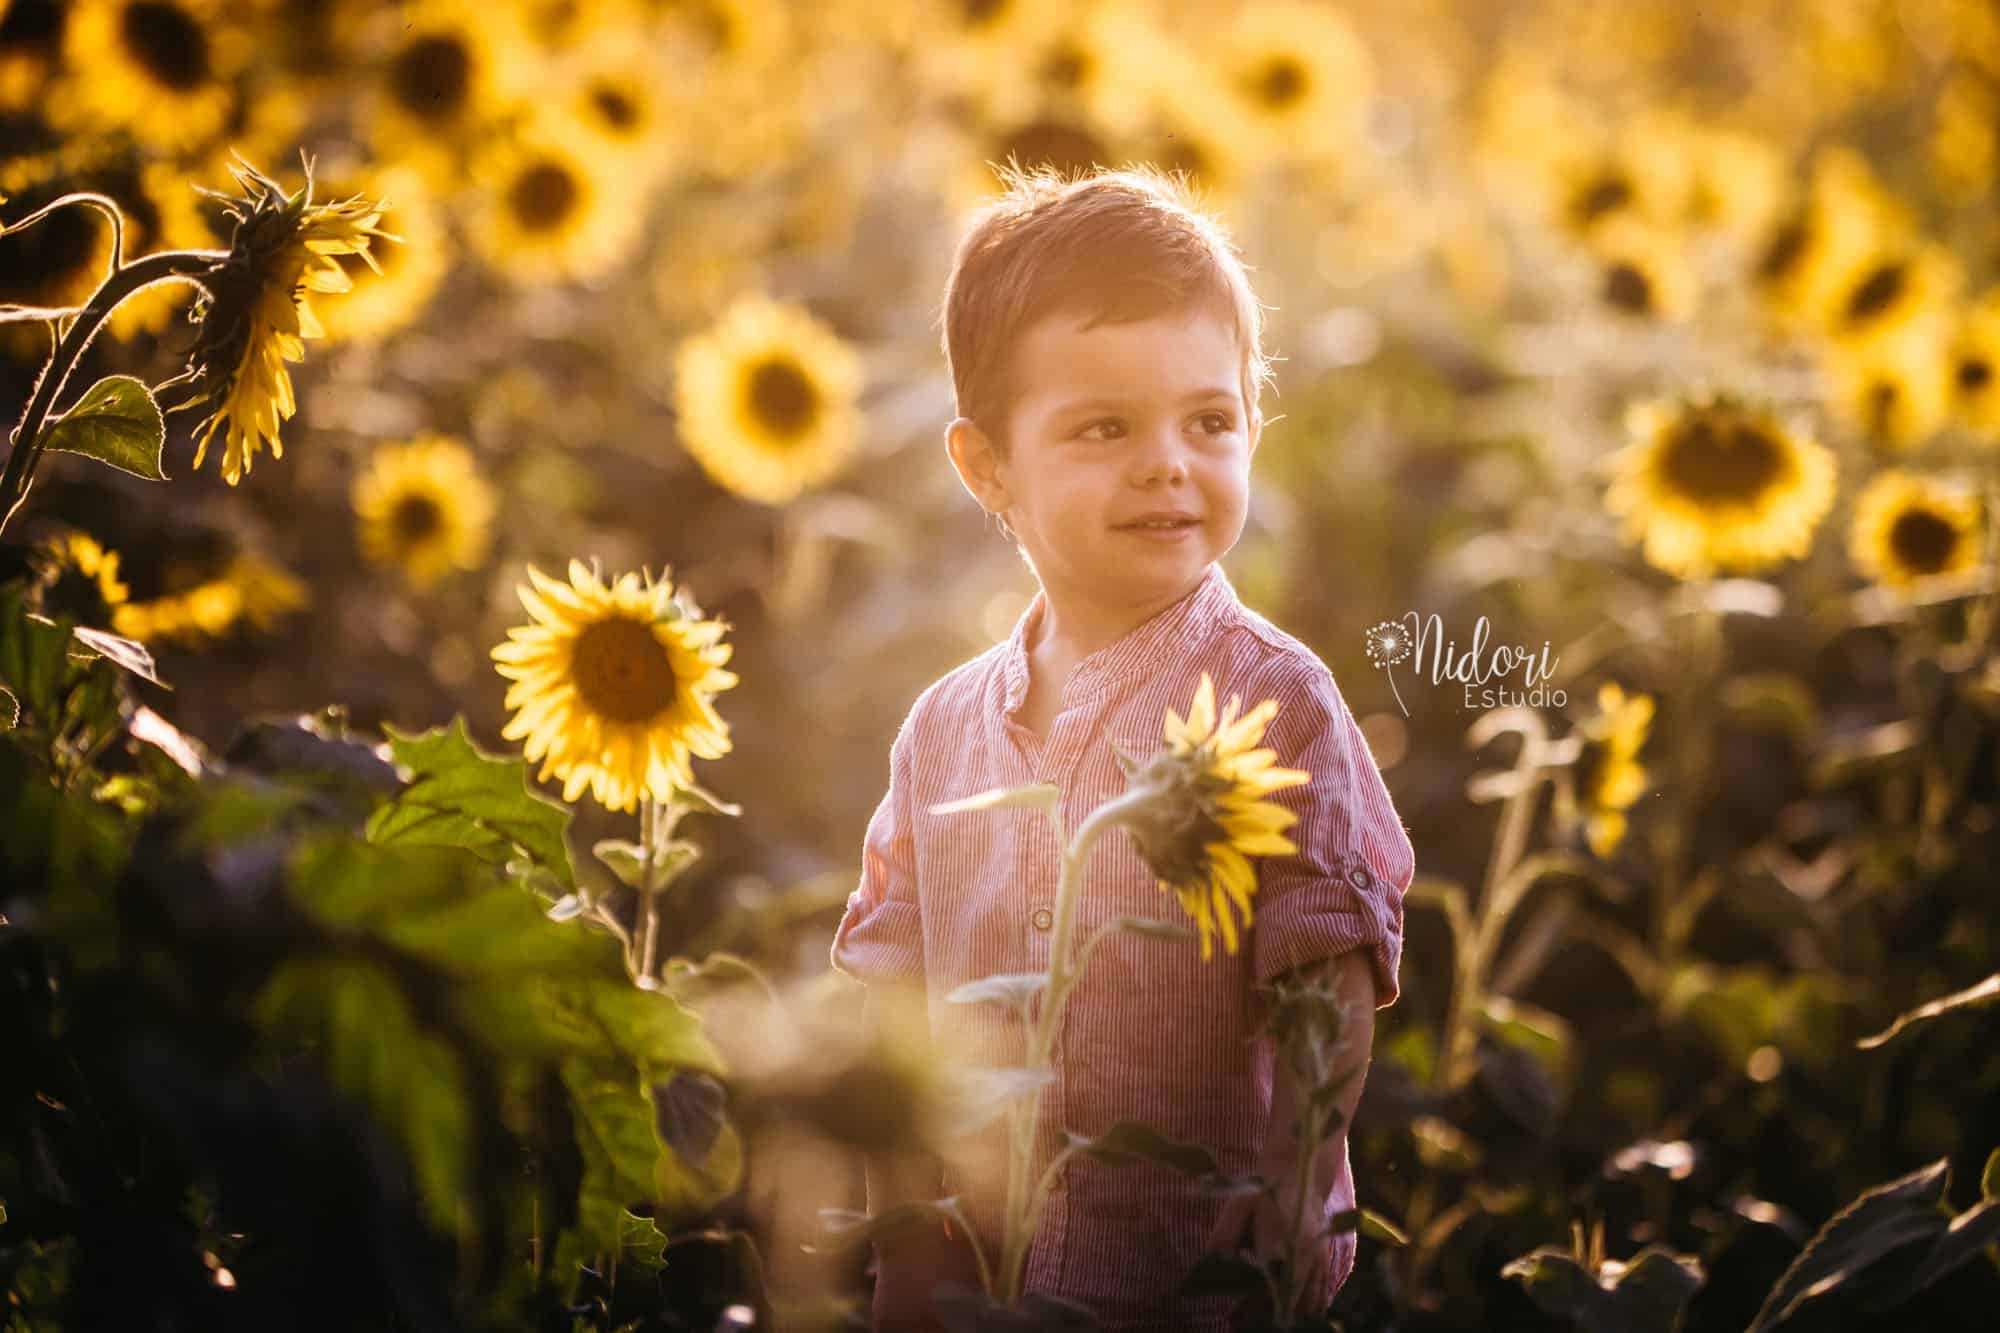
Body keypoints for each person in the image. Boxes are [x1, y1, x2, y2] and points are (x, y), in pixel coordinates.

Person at [829, 163, 1416, 1332]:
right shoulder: (940, 733)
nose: (1167, 462)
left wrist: (1297, 1190)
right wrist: (901, 1242)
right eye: (1104, 426)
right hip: (984, 1291)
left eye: (1209, 420)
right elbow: (886, 1005)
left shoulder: (1272, 699)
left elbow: (1327, 970)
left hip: (1197, 1282)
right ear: (986, 466)